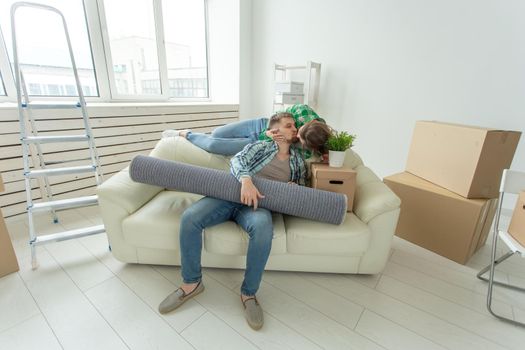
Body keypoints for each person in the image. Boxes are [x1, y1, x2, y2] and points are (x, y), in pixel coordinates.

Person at [158, 112, 308, 330]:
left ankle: (248, 294)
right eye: (289, 125)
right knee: (190, 218)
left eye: (295, 126)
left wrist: (295, 188)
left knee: (263, 229)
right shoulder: (261, 146)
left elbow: (304, 188)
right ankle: (192, 283)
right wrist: (246, 180)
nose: (294, 129)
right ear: (275, 131)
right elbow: (238, 160)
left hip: (258, 207)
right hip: (229, 196)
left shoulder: (298, 160)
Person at [162, 104, 331, 157]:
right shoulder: (303, 111)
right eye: (297, 128)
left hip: (259, 142)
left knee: (213, 145)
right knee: (216, 133)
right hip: (259, 126)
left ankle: (184, 133)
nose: (295, 133)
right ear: (308, 123)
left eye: (300, 139)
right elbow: (280, 117)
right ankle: (197, 135)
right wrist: (273, 129)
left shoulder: (308, 149)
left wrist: (269, 139)